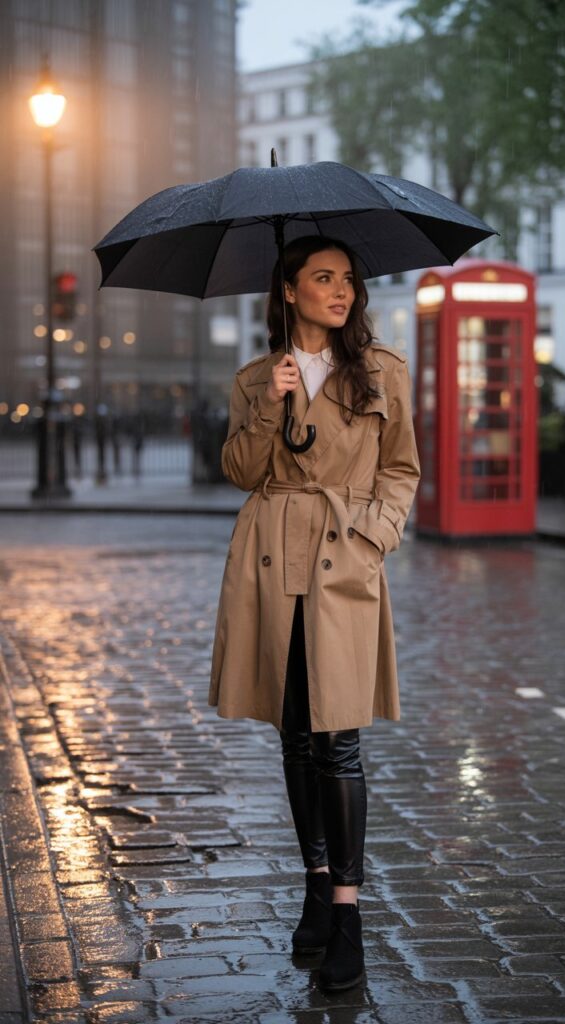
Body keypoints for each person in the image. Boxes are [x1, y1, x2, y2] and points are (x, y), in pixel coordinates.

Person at [209, 235, 420, 991]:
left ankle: (348, 915)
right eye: (323, 278)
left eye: (348, 279)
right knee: (296, 734)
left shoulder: (382, 371)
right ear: (289, 290)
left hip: (344, 557)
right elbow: (238, 470)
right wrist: (271, 403)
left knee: (340, 741)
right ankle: (314, 882)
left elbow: (401, 467)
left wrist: (377, 535)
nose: (342, 290)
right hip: (271, 562)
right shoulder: (257, 377)